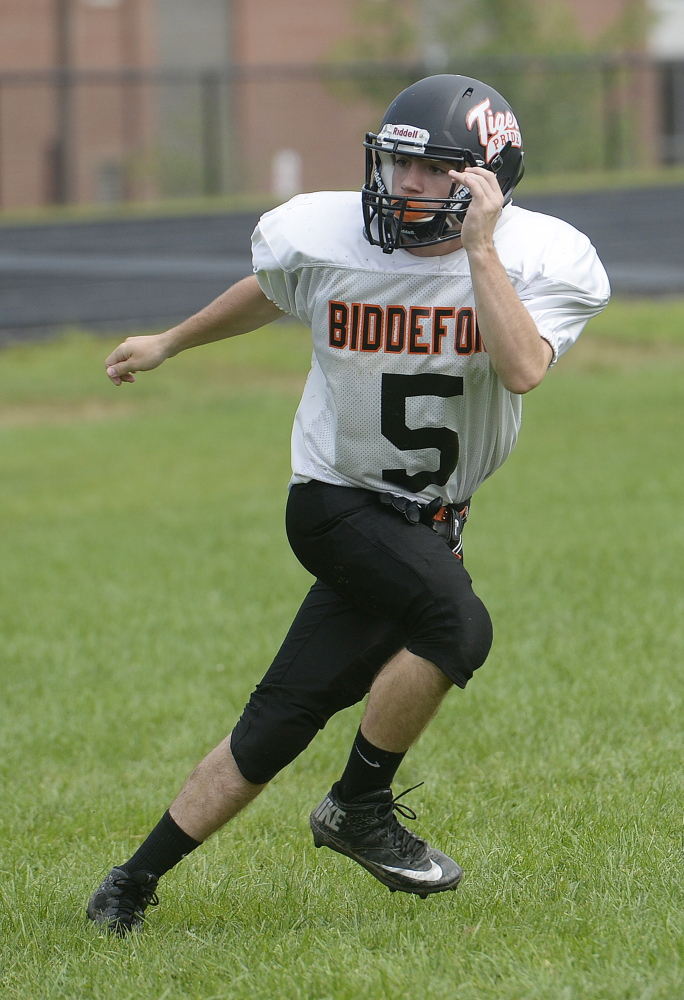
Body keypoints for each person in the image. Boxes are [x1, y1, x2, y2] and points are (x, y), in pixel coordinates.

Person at [86, 73, 610, 933]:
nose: (404, 185)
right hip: (335, 499)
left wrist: (478, 251)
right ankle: (358, 808)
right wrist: (172, 341)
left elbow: (522, 368)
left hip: (430, 519)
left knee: (280, 718)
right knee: (456, 627)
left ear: (486, 181)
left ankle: (130, 885)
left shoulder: (537, 259)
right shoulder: (323, 237)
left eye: (432, 169)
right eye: (395, 163)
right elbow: (278, 287)